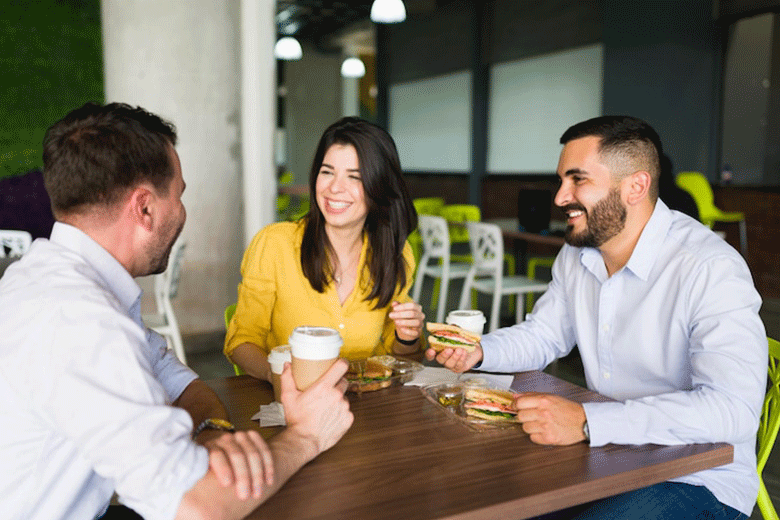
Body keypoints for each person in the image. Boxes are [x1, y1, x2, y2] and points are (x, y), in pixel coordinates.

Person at [0, 102, 353, 520]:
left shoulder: (53, 278)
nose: (182, 212)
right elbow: (196, 509)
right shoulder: (83, 321)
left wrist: (210, 436)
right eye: (179, 195)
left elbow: (179, 383)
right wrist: (307, 437)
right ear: (145, 208)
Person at [428, 115, 766, 519]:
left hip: (700, 480)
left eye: (578, 180)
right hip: (608, 460)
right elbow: (543, 335)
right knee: (485, 499)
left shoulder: (709, 268)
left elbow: (732, 411)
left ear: (635, 186)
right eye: (561, 180)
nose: (559, 197)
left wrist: (589, 422)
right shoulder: (578, 255)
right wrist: (479, 352)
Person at [225, 117, 425, 381]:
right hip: (291, 406)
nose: (334, 188)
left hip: (367, 404)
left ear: (379, 186)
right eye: (327, 171)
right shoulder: (274, 245)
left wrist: (407, 337)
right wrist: (282, 381)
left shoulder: (395, 255)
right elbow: (242, 342)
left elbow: (399, 357)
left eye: (354, 176)